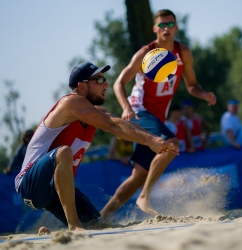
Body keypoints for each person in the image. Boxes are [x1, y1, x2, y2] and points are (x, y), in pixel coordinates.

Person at [14, 62, 178, 231]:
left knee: (99, 226)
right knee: (63, 152)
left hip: (53, 191)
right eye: (99, 80)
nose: (105, 84)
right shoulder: (71, 103)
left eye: (104, 79)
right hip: (29, 184)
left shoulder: (95, 111)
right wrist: (150, 141)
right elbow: (112, 125)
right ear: (81, 86)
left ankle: (48, 235)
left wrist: (153, 138)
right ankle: (74, 226)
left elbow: (119, 124)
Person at [101, 9, 217, 218]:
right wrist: (126, 107)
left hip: (156, 117)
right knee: (172, 144)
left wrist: (204, 94)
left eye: (170, 24)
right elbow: (119, 82)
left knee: (138, 176)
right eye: (161, 25)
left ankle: (101, 216)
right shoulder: (146, 53)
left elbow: (191, 85)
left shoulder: (184, 53)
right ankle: (144, 197)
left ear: (176, 28)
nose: (166, 29)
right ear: (155, 29)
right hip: (140, 110)